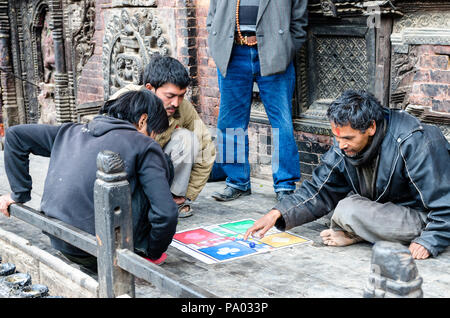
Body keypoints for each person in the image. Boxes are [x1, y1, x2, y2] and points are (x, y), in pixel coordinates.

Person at [244, 90, 450, 260]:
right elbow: (319, 190)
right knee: (340, 207)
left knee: (347, 211)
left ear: (371, 127)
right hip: (385, 211)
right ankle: (362, 232)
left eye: (349, 138)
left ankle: (358, 232)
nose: (341, 145)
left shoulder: (415, 140)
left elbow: (444, 203)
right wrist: (276, 213)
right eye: (337, 137)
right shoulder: (343, 146)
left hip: (424, 217)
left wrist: (430, 240)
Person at [0, 89, 178, 271]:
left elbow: (14, 136)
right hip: (100, 251)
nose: (154, 138)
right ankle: (141, 249)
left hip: (58, 237)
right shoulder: (144, 144)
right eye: (155, 133)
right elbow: (166, 213)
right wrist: (153, 253)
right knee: (165, 163)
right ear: (143, 121)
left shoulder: (70, 131)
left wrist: (18, 193)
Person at [207, 0, 308, 202]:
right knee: (230, 122)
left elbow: (299, 21)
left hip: (274, 53)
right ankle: (237, 181)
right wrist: (215, 41)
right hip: (232, 52)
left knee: (282, 121)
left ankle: (285, 186)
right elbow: (212, 16)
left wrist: (285, 49)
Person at [109, 54, 216, 218]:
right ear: (150, 88)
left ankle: (173, 199)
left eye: (181, 95)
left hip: (158, 168)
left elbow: (206, 148)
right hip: (125, 170)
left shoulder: (182, 107)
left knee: (188, 139)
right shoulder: (126, 100)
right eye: (170, 96)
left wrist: (188, 193)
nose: (176, 103)